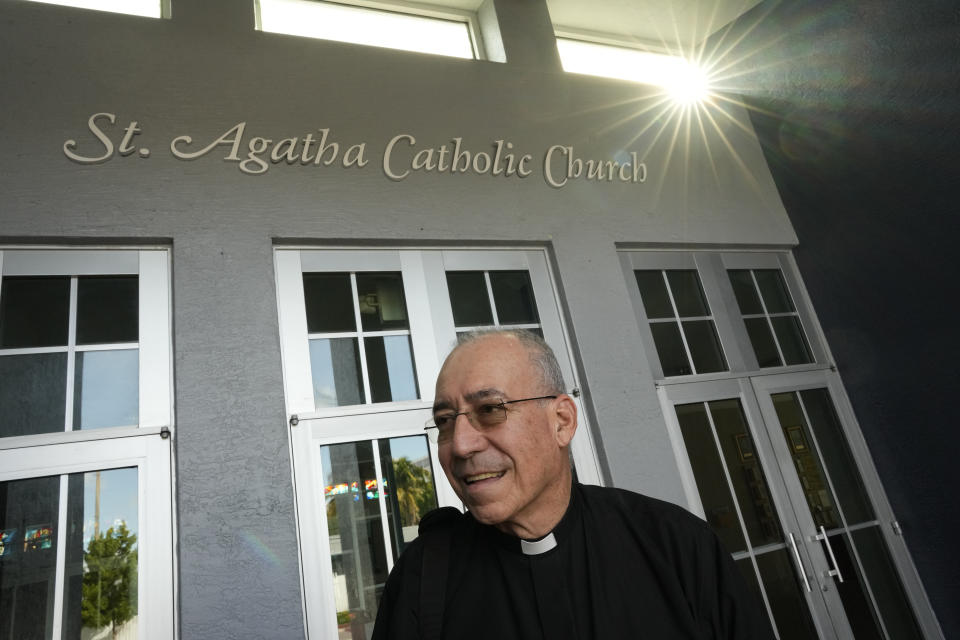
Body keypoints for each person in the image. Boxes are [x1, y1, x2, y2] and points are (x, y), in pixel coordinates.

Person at [372, 329, 774, 640]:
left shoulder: (676, 545)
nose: (459, 444)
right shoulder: (422, 577)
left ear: (561, 421)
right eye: (445, 420)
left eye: (490, 410)